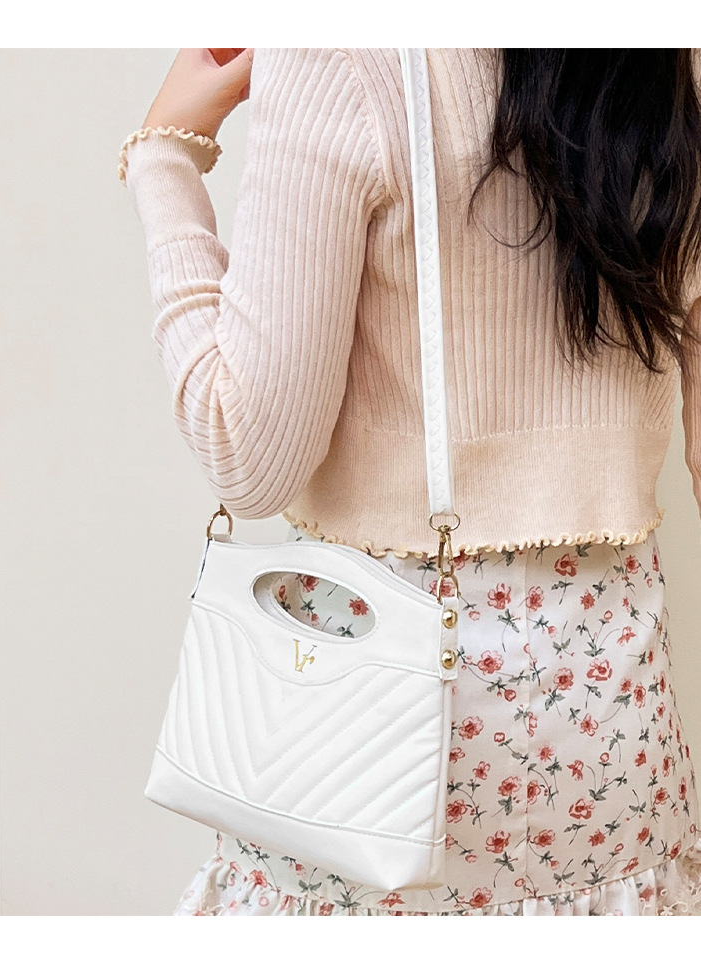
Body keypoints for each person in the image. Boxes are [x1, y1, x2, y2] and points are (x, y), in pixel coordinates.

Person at [118, 48, 701, 916]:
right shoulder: (665, 57)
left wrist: (164, 156)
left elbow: (248, 458)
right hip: (609, 728)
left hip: (373, 724)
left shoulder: (344, 57)